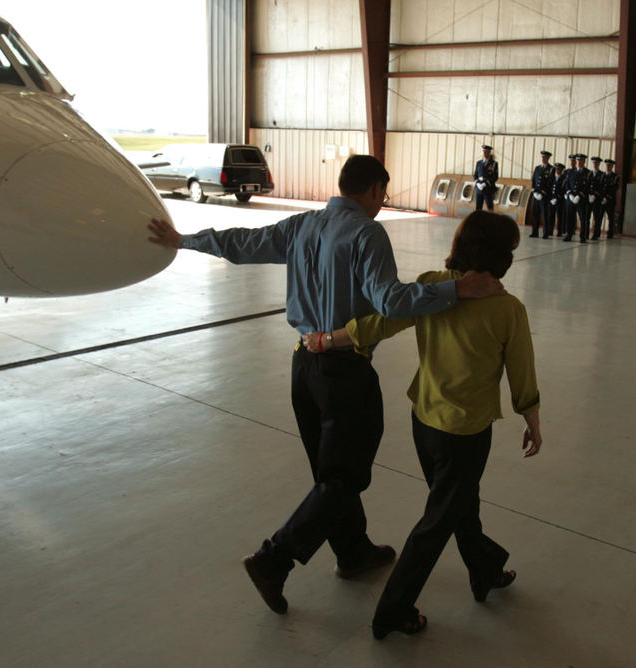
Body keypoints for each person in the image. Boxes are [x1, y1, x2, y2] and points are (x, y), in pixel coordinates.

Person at [146, 155, 505, 616]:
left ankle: (353, 551)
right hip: (345, 373)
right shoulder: (366, 233)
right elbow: (391, 302)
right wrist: (458, 290)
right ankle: (273, 558)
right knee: (345, 475)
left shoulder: (302, 227)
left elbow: (243, 243)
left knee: (330, 472)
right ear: (374, 190)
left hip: (304, 369)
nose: (382, 204)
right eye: (384, 195)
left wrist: (184, 240)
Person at [302, 210, 541, 639]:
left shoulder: (434, 286)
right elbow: (521, 372)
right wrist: (532, 419)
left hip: (424, 422)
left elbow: (383, 321)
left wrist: (328, 339)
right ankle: (392, 610)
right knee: (437, 522)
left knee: (459, 503)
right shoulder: (507, 310)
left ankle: (485, 569)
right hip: (466, 433)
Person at [564, 153, 590, 243]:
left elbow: (588, 186)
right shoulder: (571, 171)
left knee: (583, 218)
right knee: (569, 217)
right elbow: (567, 184)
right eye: (578, 161)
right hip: (571, 198)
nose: (579, 163)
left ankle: (583, 236)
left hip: (581, 199)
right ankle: (569, 234)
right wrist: (569, 194)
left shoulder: (588, 173)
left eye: (581, 161)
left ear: (584, 162)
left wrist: (580, 195)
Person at [529, 151, 553, 238]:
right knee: (535, 214)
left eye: (545, 158)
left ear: (548, 158)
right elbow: (533, 180)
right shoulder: (537, 168)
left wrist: (543, 192)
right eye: (542, 157)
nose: (543, 159)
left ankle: (546, 233)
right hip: (536, 195)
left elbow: (550, 183)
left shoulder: (551, 169)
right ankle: (534, 232)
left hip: (544, 196)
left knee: (545, 215)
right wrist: (534, 191)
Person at [598, 159, 620, 239]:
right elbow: (600, 187)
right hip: (602, 200)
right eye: (607, 166)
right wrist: (602, 197)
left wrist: (607, 198)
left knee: (611, 218)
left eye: (609, 166)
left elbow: (614, 188)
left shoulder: (615, 177)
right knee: (599, 217)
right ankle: (597, 233)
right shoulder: (602, 175)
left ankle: (610, 234)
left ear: (612, 167)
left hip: (610, 200)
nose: (608, 167)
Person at [473, 145, 499, 212]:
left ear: (489, 153)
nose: (484, 154)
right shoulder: (479, 163)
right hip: (479, 188)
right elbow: (475, 174)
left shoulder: (493, 163)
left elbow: (495, 176)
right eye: (484, 152)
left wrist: (486, 183)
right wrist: (477, 182)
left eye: (486, 152)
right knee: (478, 208)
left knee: (490, 207)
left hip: (488, 188)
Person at [546, 162, 566, 238]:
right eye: (556, 169)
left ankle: (559, 231)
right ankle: (550, 230)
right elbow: (549, 188)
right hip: (552, 200)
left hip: (560, 200)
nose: (558, 171)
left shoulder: (564, 179)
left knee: (560, 216)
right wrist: (551, 198)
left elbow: (563, 190)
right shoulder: (552, 178)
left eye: (559, 169)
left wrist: (557, 198)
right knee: (551, 215)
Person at [587, 156, 605, 240]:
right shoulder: (589, 173)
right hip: (588, 198)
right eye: (594, 163)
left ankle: (596, 234)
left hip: (596, 199)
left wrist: (595, 195)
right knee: (587, 217)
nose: (595, 165)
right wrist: (588, 194)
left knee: (597, 217)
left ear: (599, 164)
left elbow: (603, 187)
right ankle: (586, 233)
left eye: (597, 163)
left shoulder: (602, 175)